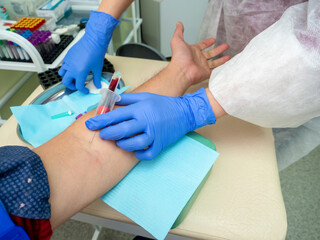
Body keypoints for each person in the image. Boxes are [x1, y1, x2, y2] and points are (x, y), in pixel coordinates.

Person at [0, 22, 230, 239]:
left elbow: (88, 150)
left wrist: (182, 73)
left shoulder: (17, 192)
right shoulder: (18, 202)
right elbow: (88, 150)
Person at [85, 0, 320, 164]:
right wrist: (101, 23)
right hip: (233, 20)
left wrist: (195, 108)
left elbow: (313, 52)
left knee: (246, 160)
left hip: (298, 77)